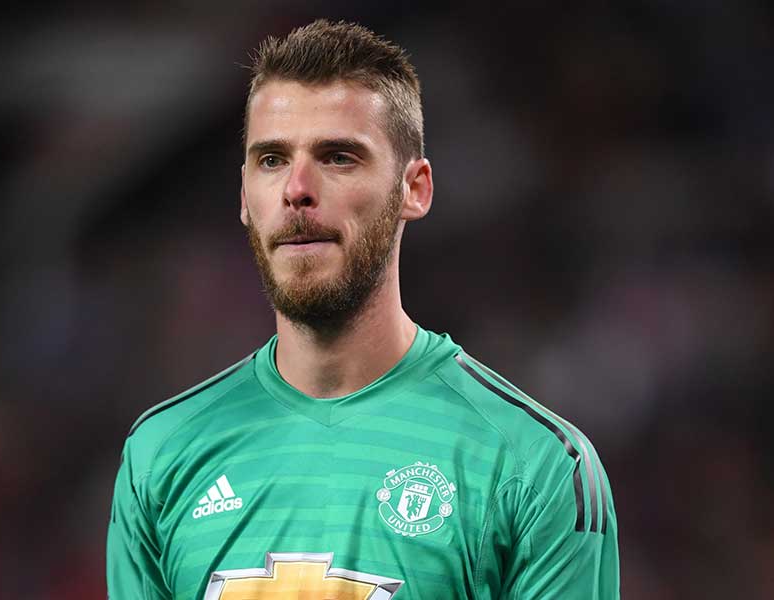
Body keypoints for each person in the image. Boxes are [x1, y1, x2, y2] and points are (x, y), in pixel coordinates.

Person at [107, 19, 619, 599]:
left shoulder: (534, 467)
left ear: (414, 189)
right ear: (244, 194)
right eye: (272, 159)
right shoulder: (161, 456)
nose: (297, 188)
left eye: (338, 157)